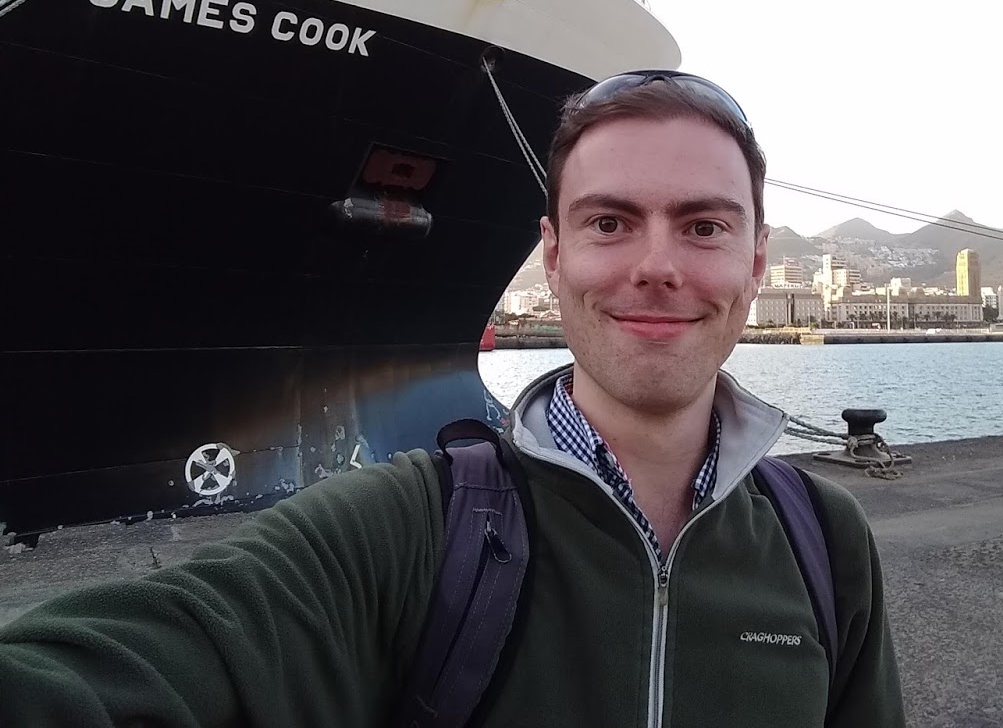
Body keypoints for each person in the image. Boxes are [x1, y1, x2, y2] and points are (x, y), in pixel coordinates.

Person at [0, 70, 905, 727]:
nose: (656, 265)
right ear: (553, 258)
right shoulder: (409, 530)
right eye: (609, 221)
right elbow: (145, 661)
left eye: (703, 225)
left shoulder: (823, 543)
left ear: (755, 262)